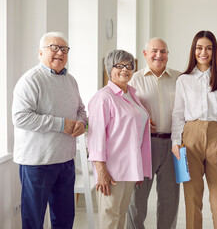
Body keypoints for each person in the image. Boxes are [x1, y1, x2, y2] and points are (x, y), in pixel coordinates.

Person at [12, 32, 87, 228]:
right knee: (33, 220)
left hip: (66, 162)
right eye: (54, 48)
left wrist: (81, 123)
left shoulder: (71, 80)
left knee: (64, 220)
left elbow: (81, 110)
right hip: (37, 163)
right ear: (40, 52)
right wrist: (61, 124)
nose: (59, 53)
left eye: (64, 49)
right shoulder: (30, 80)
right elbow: (20, 118)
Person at [171, 30, 217, 229]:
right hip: (190, 139)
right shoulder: (184, 80)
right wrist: (175, 142)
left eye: (208, 48)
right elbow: (178, 114)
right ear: (194, 50)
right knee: (192, 199)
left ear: (214, 51)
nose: (203, 52)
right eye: (199, 48)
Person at [87, 50, 152, 228]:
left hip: (130, 167)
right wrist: (101, 171)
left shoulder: (131, 94)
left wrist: (138, 167)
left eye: (129, 66)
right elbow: (95, 138)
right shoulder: (103, 97)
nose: (125, 70)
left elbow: (134, 129)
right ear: (110, 68)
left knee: (121, 216)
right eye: (119, 66)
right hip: (112, 169)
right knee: (109, 218)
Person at [127, 38, 180, 229]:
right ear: (144, 54)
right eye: (154, 51)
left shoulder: (179, 78)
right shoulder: (133, 79)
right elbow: (124, 110)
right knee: (136, 201)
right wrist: (140, 121)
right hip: (144, 144)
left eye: (163, 51)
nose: (159, 55)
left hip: (175, 145)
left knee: (170, 201)